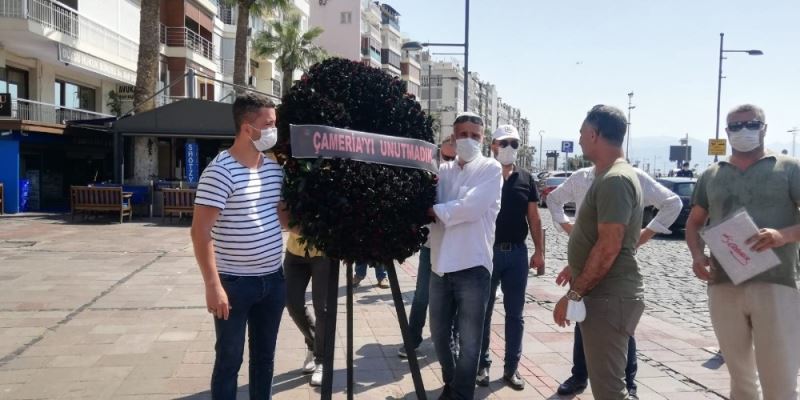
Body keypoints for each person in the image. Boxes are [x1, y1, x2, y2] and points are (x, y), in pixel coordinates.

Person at [686, 104, 800, 399]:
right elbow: (695, 222)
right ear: (727, 132)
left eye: (751, 124)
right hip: (724, 284)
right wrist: (697, 255)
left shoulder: (789, 168)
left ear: (764, 128)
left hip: (775, 283)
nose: (743, 130)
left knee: (780, 378)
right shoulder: (712, 174)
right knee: (741, 379)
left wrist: (783, 235)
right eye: (735, 126)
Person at [547, 165, 682, 397]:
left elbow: (672, 203)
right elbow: (553, 199)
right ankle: (579, 375)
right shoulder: (582, 178)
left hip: (617, 267)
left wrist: (642, 235)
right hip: (585, 265)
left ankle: (629, 382)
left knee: (621, 328)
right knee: (581, 319)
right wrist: (572, 232)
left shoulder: (632, 177)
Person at [190, 93, 287, 399]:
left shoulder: (274, 170)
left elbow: (284, 220)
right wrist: (213, 286)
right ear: (248, 128)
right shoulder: (219, 172)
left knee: (265, 359)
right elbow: (200, 232)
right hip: (234, 283)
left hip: (273, 280)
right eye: (269, 124)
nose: (274, 130)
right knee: (229, 360)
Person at [552, 105, 644, 400]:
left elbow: (608, 247)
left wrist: (573, 294)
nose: (579, 139)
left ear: (593, 134)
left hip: (608, 298)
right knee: (608, 387)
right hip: (604, 295)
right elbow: (598, 241)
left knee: (610, 391)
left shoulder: (615, 179)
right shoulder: (609, 176)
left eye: (581, 133)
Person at [428, 112, 502, 400]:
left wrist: (435, 211)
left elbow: (471, 208)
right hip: (440, 265)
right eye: (463, 134)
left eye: (475, 135)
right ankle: (452, 384)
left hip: (473, 265)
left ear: (483, 139)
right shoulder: (444, 170)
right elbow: (429, 189)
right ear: (453, 136)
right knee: (439, 335)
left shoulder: (490, 168)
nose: (469, 140)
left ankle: (460, 395)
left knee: (470, 343)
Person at [475, 125, 545, 391]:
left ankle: (511, 368)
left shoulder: (526, 178)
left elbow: (534, 217)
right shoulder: (483, 173)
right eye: (504, 143)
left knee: (515, 314)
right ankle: (481, 365)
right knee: (483, 311)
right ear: (493, 145)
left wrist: (539, 252)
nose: (509, 148)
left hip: (516, 254)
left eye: (514, 143)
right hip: (487, 252)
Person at [398, 136, 458, 358]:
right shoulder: (430, 173)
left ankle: (452, 339)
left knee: (455, 297)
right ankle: (412, 339)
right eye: (445, 156)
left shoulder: (463, 176)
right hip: (430, 245)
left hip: (454, 246)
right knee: (422, 295)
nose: (448, 162)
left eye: (452, 158)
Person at [283, 233, 329, 386]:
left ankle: (322, 360)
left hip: (323, 251)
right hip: (295, 250)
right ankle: (314, 343)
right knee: (292, 303)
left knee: (322, 308)